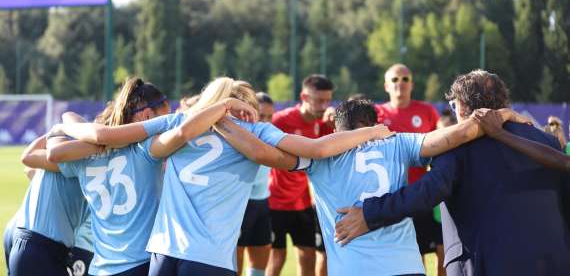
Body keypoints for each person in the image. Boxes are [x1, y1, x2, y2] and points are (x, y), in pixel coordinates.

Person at [58, 77, 390, 276]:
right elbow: (318, 149)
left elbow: (103, 135)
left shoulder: (179, 122)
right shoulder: (255, 130)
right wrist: (371, 131)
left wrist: (64, 124)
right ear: (245, 106)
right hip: (209, 258)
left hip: (163, 254)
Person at [216, 98, 526, 276]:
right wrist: (501, 115)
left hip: (353, 270)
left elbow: (262, 153)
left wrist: (222, 120)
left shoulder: (321, 154)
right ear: (374, 123)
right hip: (405, 267)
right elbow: (454, 136)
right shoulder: (397, 141)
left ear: (337, 129)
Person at [335, 70, 570, 276]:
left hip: (485, 263)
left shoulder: (456, 146)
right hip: (554, 260)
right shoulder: (546, 141)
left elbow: (425, 193)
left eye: (454, 106)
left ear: (463, 107)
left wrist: (369, 214)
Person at [28, 77, 257, 276]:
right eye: (163, 117)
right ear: (148, 115)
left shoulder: (82, 157)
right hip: (141, 264)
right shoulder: (146, 150)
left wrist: (89, 140)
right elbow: (184, 131)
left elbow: (34, 159)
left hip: (100, 268)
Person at [376, 63, 443, 273]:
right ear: (386, 85)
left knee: (437, 252)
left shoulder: (426, 111)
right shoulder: (376, 113)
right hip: (389, 196)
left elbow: (442, 143)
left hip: (421, 194)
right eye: (394, 80)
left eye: (405, 79)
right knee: (406, 257)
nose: (400, 84)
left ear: (411, 84)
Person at [267, 74, 335, 276]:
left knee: (308, 257)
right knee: (276, 258)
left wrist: (333, 121)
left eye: (328, 100)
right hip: (275, 201)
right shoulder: (281, 120)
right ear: (304, 97)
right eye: (319, 100)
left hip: (303, 201)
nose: (324, 106)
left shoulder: (322, 124)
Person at [11, 135, 92, 276]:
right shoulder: (76, 164)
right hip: (41, 247)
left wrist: (52, 132)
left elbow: (28, 161)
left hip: (26, 240)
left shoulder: (64, 165)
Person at [236, 92, 276, 276]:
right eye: (262, 116)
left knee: (260, 261)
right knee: (235, 259)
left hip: (262, 202)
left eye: (270, 116)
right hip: (241, 204)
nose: (266, 121)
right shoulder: (239, 136)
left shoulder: (271, 135)